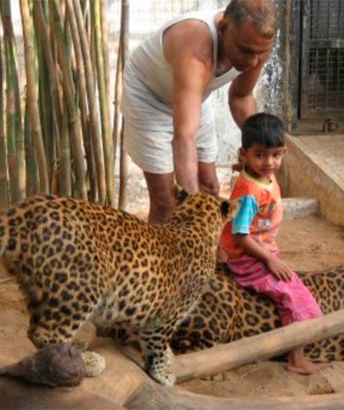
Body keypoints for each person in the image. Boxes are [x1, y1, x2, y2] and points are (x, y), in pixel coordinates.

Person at [121, 0, 277, 223]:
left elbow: (241, 98)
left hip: (193, 95)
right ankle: (162, 258)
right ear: (223, 29)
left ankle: (210, 256)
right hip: (149, 97)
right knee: (166, 202)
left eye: (259, 54)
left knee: (210, 187)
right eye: (245, 51)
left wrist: (259, 150)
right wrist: (194, 208)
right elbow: (184, 137)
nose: (253, 61)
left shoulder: (258, 43)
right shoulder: (195, 52)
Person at [220, 113, 324, 375]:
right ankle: (296, 358)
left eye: (276, 155)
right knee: (298, 299)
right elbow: (241, 235)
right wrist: (269, 259)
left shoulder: (259, 176)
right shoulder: (250, 193)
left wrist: (244, 166)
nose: (269, 162)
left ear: (285, 152)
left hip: (261, 247)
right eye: (261, 155)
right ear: (244, 154)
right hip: (249, 256)